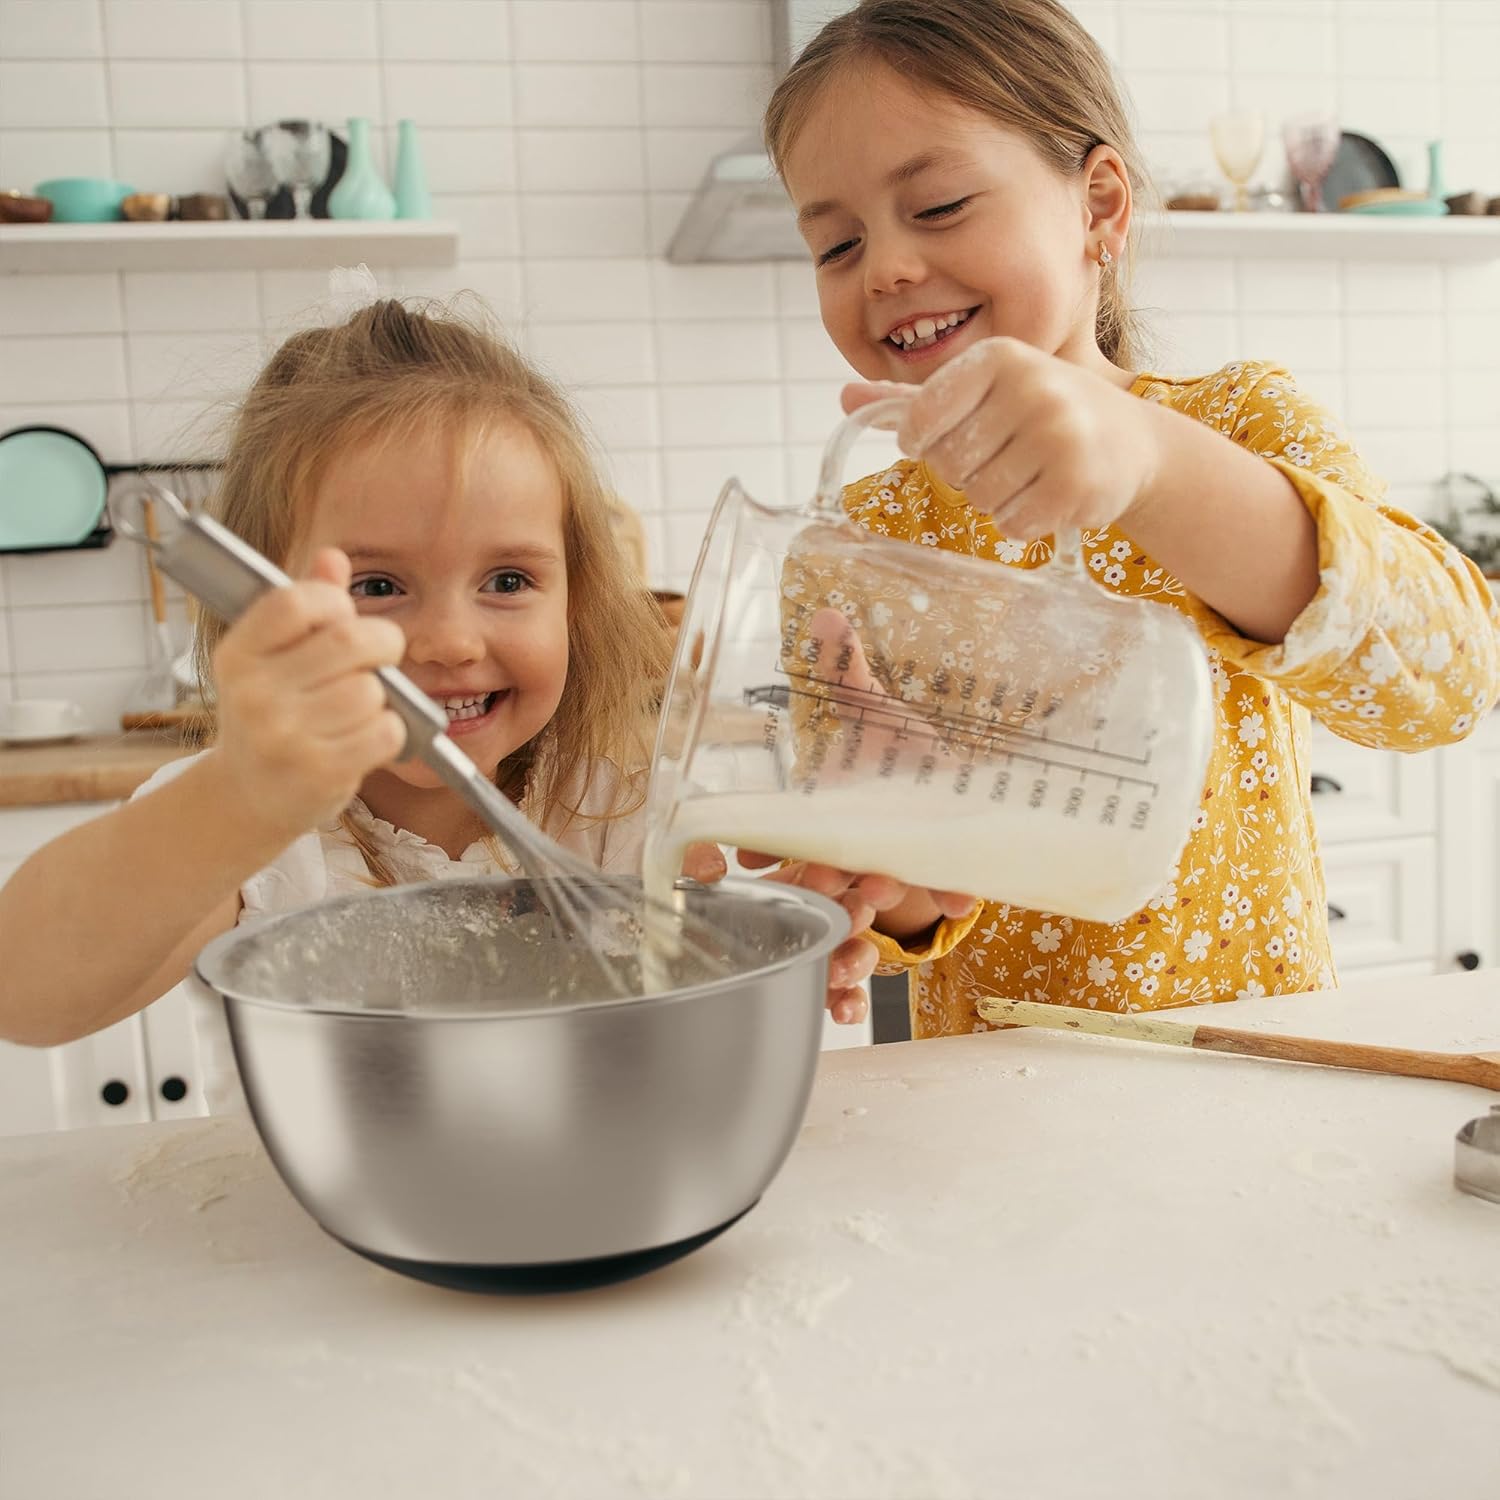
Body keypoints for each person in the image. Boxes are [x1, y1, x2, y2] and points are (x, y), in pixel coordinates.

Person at [752, 0, 1500, 1038]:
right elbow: (904, 898)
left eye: (938, 206)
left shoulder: (1238, 429)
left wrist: (1151, 465)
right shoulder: (853, 549)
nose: (882, 269)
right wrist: (885, 891)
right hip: (993, 1104)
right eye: (835, 245)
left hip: (1246, 1071)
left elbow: (1450, 681)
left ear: (1100, 205)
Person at [0, 296, 878, 1107]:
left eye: (507, 579)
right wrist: (240, 796)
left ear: (578, 597)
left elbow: (716, 1000)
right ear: (263, 612)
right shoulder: (256, 836)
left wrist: (812, 916)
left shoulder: (630, 801)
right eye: (377, 585)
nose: (452, 641)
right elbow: (25, 993)